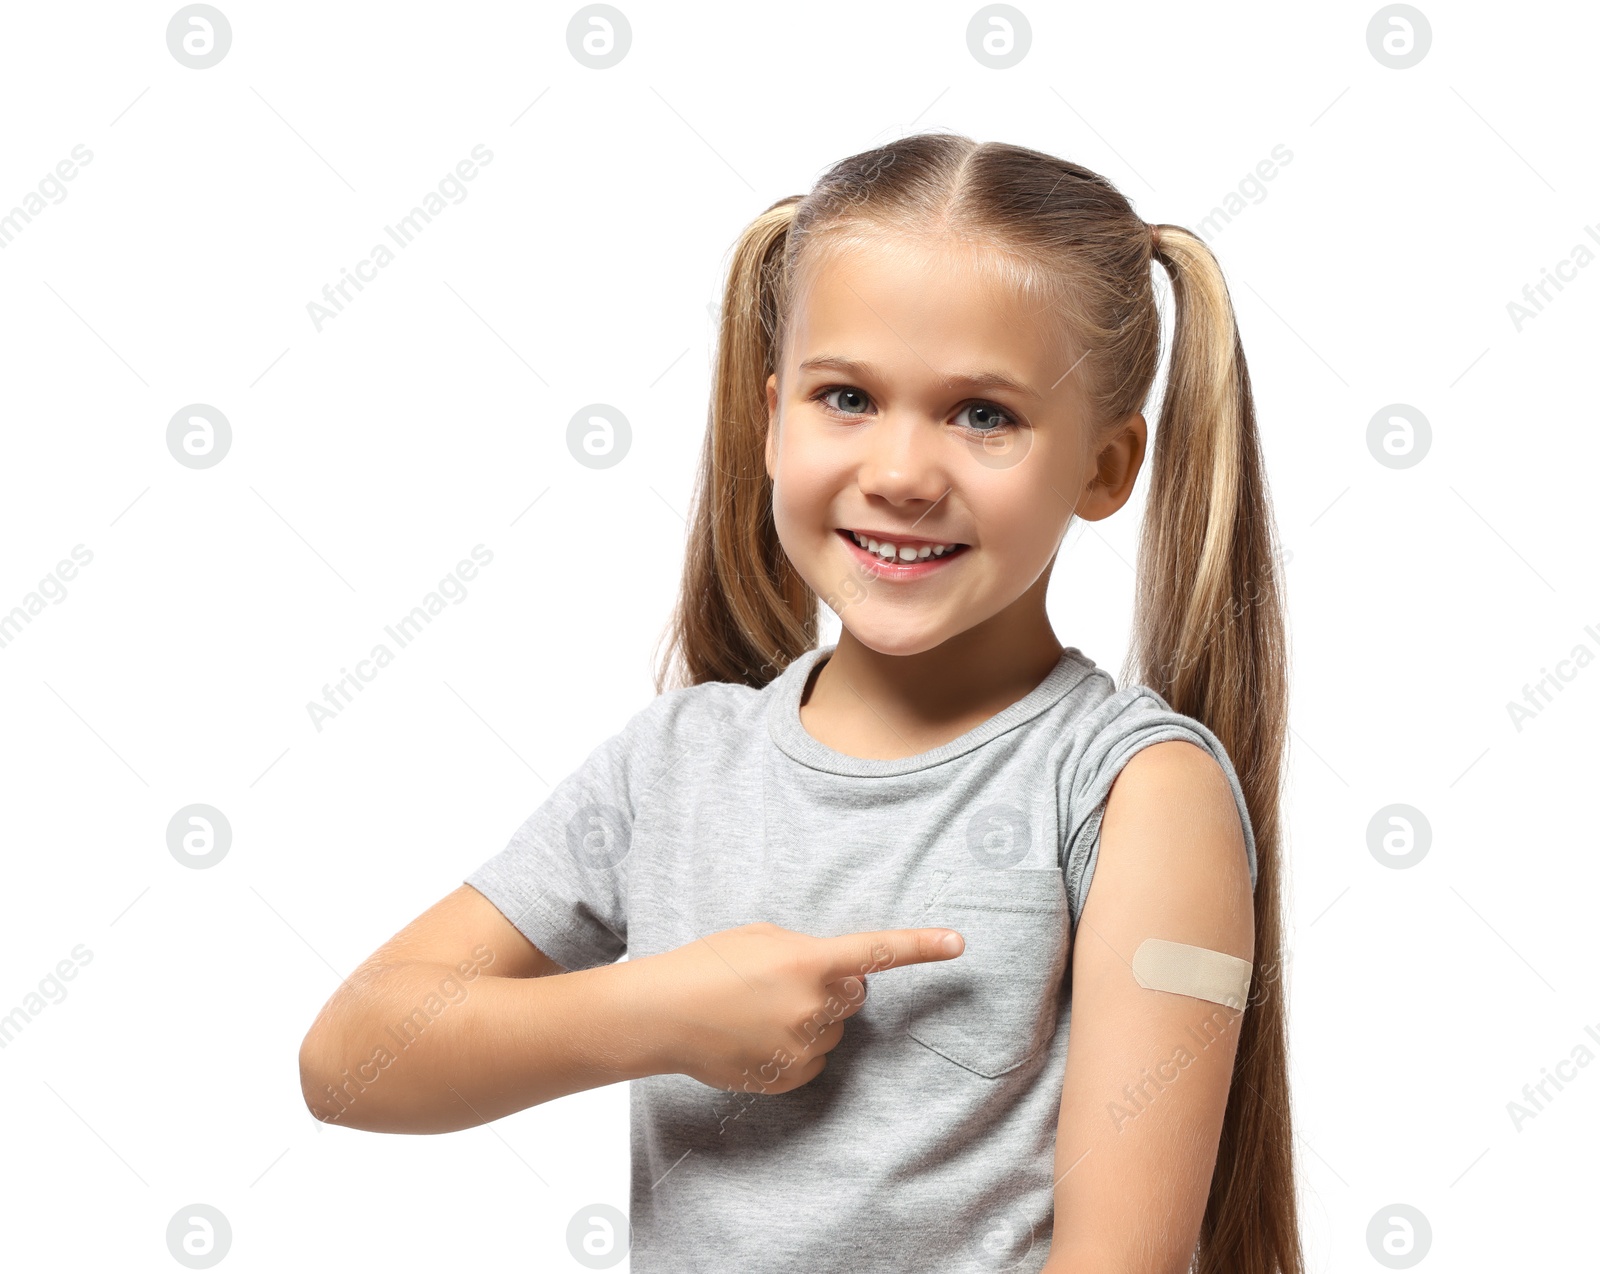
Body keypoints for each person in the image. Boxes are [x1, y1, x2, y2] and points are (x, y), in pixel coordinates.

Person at [299, 131, 1300, 1274]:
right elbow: (351, 1056)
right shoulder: (672, 764)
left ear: (1105, 466)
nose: (904, 470)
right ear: (773, 419)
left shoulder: (1134, 789)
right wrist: (664, 1010)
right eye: (847, 397)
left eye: (983, 413)